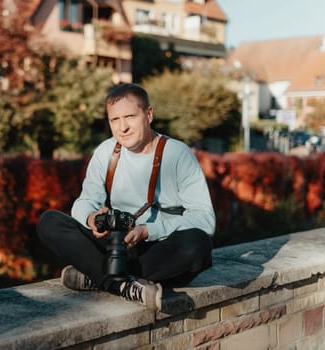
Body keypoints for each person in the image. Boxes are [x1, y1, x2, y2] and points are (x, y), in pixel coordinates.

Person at [36, 83, 215, 311]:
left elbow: (205, 220)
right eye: (114, 120)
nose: (123, 128)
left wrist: (148, 231)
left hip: (157, 250)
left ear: (149, 114)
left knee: (198, 244)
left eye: (130, 116)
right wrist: (92, 218)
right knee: (50, 221)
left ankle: (99, 277)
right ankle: (124, 285)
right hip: (114, 246)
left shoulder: (178, 154)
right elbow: (84, 201)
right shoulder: (106, 152)